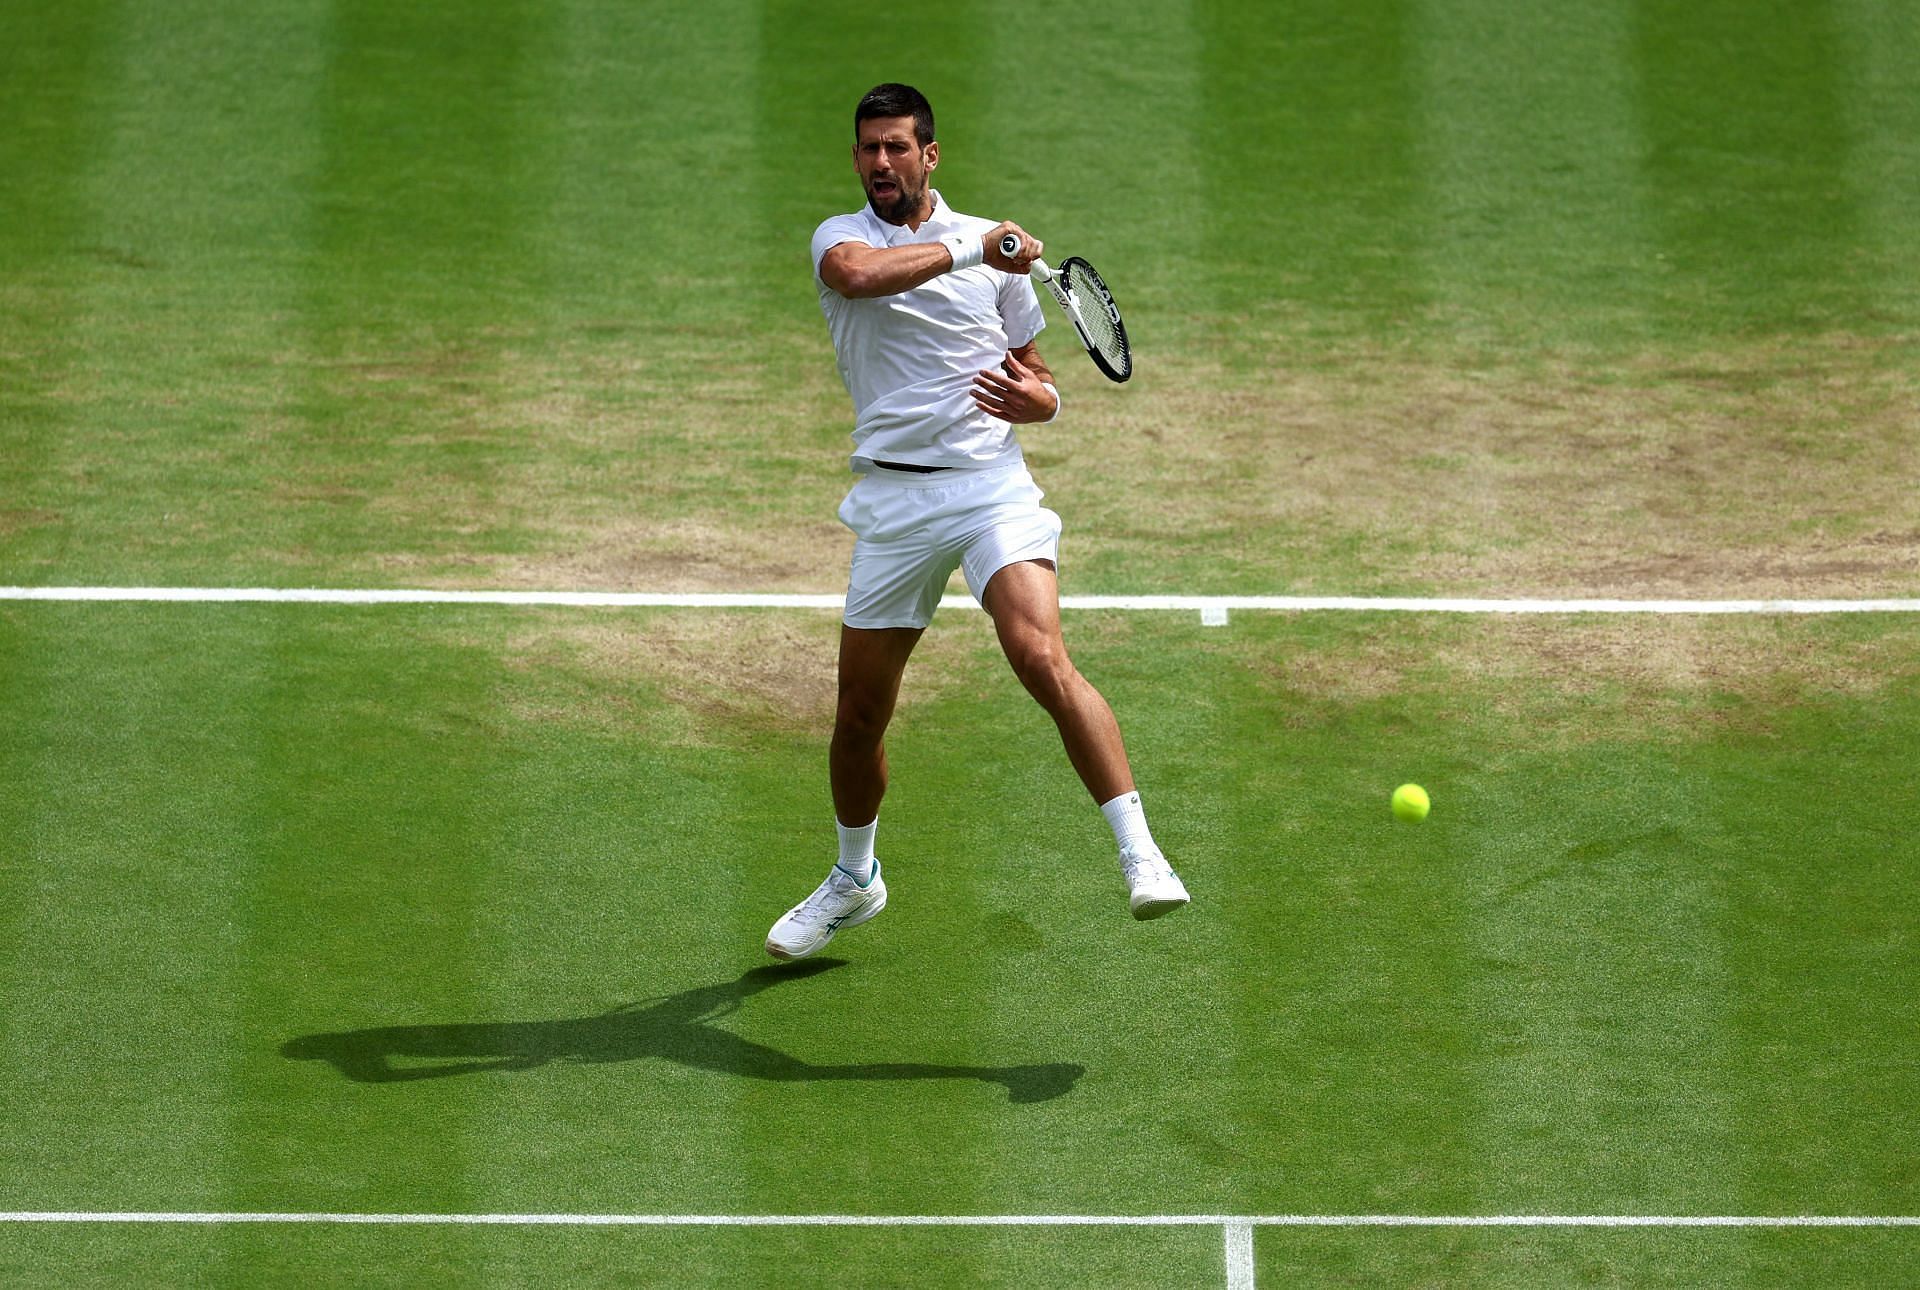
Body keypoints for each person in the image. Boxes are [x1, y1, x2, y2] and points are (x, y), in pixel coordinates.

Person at [765, 83, 1189, 961]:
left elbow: (1032, 371)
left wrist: (1046, 403)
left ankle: (1140, 852)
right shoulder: (842, 242)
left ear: (929, 156)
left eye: (896, 149)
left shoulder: (990, 250)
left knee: (1040, 655)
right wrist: (969, 247)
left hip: (990, 488)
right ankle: (855, 879)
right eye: (867, 149)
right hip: (892, 501)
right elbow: (859, 279)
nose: (880, 163)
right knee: (858, 717)